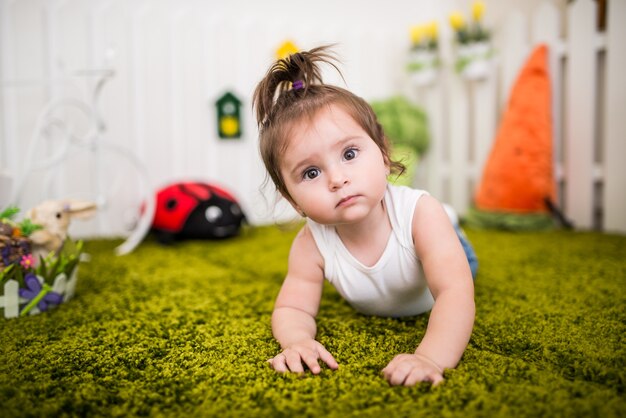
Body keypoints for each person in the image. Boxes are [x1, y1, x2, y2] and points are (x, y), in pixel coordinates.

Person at [252, 45, 477, 387]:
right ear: (292, 199)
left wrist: (429, 358)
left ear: (384, 153)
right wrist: (296, 340)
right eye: (311, 173)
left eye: (350, 153)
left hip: (437, 244)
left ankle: (454, 223)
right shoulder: (311, 243)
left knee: (458, 261)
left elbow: (454, 292)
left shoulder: (419, 214)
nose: (337, 179)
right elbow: (292, 309)